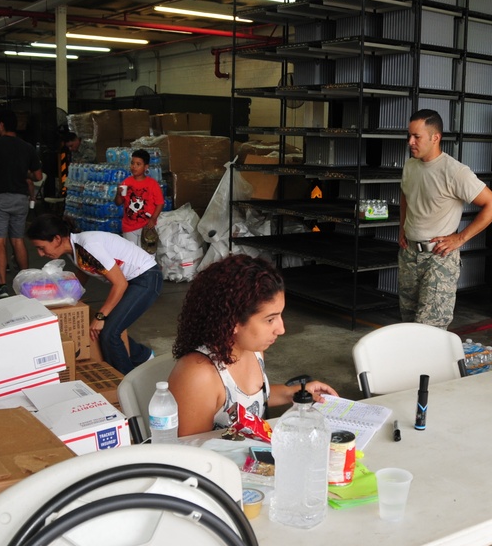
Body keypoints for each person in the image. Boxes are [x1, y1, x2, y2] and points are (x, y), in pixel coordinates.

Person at [169, 254, 338, 437]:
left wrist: (291, 392)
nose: (281, 329)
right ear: (232, 321)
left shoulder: (253, 350)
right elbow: (190, 451)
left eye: (280, 315)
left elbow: (250, 400)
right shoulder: (199, 375)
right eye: (270, 319)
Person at [398, 109, 492, 328]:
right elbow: (406, 195)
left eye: (417, 136)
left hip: (439, 259)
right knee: (408, 325)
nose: (410, 141)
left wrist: (460, 238)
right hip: (409, 256)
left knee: (430, 328)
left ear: (435, 137)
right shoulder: (410, 166)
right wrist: (403, 228)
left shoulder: (455, 172)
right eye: (409, 135)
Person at [27, 214, 162, 375]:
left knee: (109, 333)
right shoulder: (75, 250)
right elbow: (84, 272)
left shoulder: (87, 246)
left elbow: (120, 284)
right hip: (134, 280)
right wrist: (64, 298)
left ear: (56, 239)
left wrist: (100, 317)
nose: (41, 254)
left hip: (146, 279)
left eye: (41, 247)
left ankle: (126, 382)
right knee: (111, 326)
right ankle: (143, 356)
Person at [0, 109, 43, 300]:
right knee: (18, 240)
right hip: (20, 198)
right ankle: (25, 283)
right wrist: (23, 173)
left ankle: (2, 286)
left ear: (2, 125)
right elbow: (37, 176)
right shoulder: (27, 147)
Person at [115, 149, 164, 247]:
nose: (134, 166)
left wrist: (153, 219)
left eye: (138, 164)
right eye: (132, 163)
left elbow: (160, 203)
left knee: (147, 254)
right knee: (131, 254)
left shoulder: (152, 184)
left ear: (146, 167)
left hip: (146, 226)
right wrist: (118, 193)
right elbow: (118, 203)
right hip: (129, 227)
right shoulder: (126, 182)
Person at [57, 132, 80, 197]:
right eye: (68, 147)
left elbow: (85, 163)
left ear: (76, 140)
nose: (70, 149)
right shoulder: (73, 151)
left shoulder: (88, 147)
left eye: (71, 146)